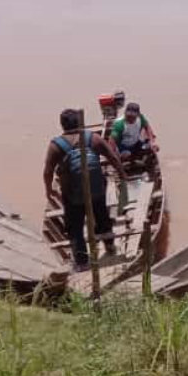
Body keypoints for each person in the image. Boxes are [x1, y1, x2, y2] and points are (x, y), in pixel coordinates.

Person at [44, 108, 125, 272]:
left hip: (72, 194)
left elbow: (48, 172)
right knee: (102, 216)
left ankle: (81, 262)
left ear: (62, 125)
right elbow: (113, 157)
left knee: (75, 226)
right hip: (97, 189)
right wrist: (122, 175)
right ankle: (110, 246)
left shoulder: (56, 145)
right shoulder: (93, 138)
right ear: (80, 123)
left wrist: (49, 191)